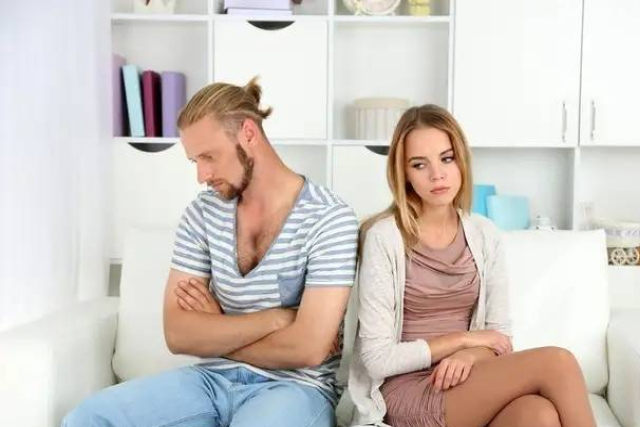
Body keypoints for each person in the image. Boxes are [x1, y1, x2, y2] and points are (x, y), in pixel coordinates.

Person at [62, 78, 359, 427]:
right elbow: (178, 334)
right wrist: (277, 319)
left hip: (295, 388)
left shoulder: (329, 218)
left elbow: (307, 348)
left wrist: (217, 330)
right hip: (209, 381)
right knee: (86, 418)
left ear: (248, 133)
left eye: (209, 157)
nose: (202, 175)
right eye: (195, 161)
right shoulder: (203, 214)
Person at [348, 104, 596, 427]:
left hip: (466, 378)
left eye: (446, 158)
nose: (437, 174)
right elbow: (377, 359)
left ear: (461, 160)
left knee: (539, 415)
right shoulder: (384, 238)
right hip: (406, 389)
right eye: (419, 164)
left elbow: (500, 338)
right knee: (558, 363)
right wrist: (462, 340)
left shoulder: (484, 234)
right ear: (403, 173)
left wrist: (470, 354)